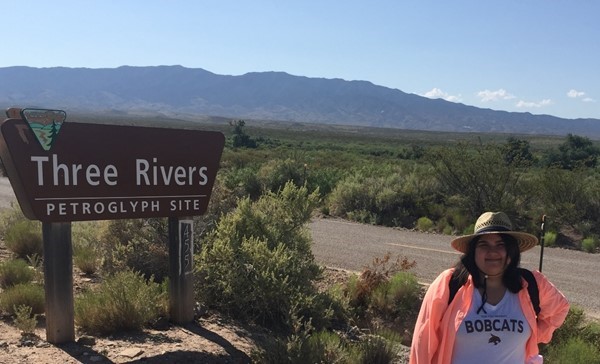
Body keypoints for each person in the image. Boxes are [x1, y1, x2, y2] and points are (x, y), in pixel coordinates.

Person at [410, 211, 569, 364]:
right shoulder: (449, 284)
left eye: (500, 244)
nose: (492, 252)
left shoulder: (532, 284)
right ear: (473, 252)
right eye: (484, 244)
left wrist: (535, 335)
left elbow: (559, 309)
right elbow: (422, 344)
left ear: (511, 251)